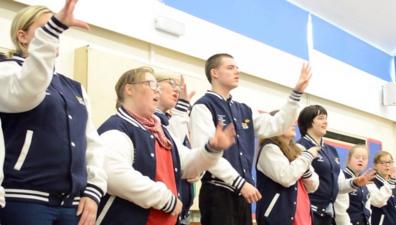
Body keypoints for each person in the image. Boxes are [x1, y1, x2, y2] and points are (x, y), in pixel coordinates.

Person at [0, 1, 107, 225]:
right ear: (22, 36)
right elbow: (27, 91)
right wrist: (53, 29)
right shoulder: (8, 70)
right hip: (24, 199)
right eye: (48, 27)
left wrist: (94, 189)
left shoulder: (74, 88)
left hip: (71, 205)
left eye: (57, 29)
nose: (55, 32)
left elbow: (92, 144)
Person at [96, 67, 236, 225]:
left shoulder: (160, 131)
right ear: (129, 89)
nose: (157, 91)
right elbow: (114, 174)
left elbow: (187, 163)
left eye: (158, 86)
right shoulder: (117, 127)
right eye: (151, 84)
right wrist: (166, 198)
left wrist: (212, 149)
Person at [189, 53, 313, 225]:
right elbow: (205, 156)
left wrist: (296, 93)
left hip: (244, 194)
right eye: (230, 67)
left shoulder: (244, 110)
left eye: (237, 68)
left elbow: (277, 124)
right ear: (214, 73)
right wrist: (240, 183)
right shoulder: (203, 106)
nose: (237, 72)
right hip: (218, 193)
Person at [297, 105, 374, 225]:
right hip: (309, 212)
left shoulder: (331, 150)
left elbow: (338, 186)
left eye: (326, 118)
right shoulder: (301, 147)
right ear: (308, 121)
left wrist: (356, 182)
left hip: (329, 215)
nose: (325, 122)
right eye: (321, 118)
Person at [256, 110, 320, 225]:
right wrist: (307, 156)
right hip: (278, 218)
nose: (293, 124)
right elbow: (286, 177)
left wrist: (305, 166)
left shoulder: (298, 150)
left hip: (302, 215)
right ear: (275, 126)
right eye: (287, 121)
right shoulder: (269, 149)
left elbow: (313, 186)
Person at [154, 71, 195, 224]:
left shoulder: (173, 118)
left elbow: (184, 154)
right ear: (154, 86)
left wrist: (195, 170)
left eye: (180, 85)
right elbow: (170, 149)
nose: (177, 89)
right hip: (163, 210)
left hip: (182, 212)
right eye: (172, 83)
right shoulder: (153, 120)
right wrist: (182, 109)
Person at [335, 145, 373, 225]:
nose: (361, 160)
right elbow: (339, 210)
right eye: (357, 157)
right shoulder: (341, 176)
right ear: (349, 158)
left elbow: (367, 208)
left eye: (364, 158)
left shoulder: (364, 180)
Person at [369, 151, 396, 225]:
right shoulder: (370, 183)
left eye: (389, 162)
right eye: (382, 163)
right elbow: (379, 201)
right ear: (375, 165)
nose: (387, 165)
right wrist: (391, 181)